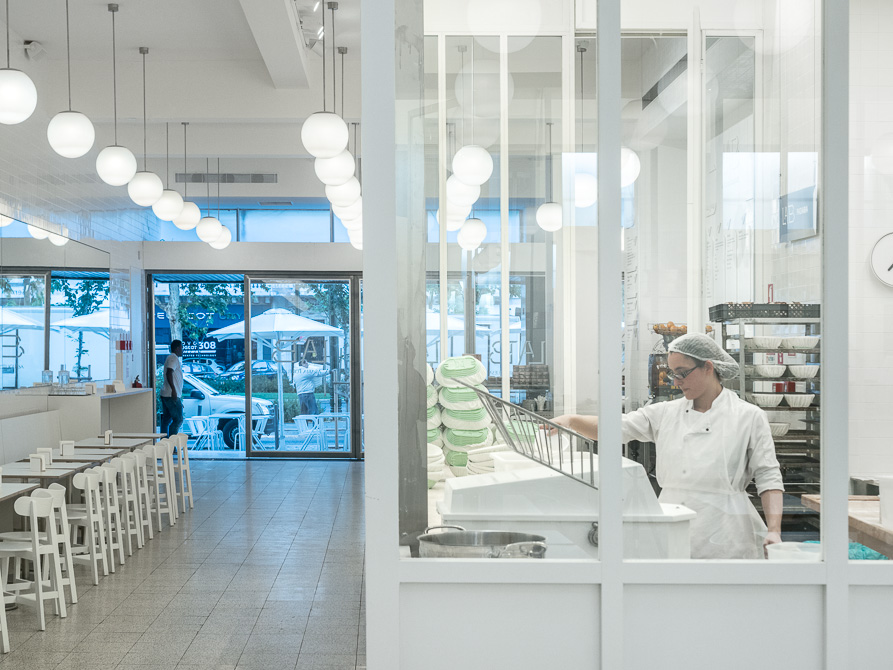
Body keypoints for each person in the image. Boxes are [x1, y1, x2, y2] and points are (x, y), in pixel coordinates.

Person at [553, 332, 784, 559]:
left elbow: (768, 475)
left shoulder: (748, 416)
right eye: (673, 373)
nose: (676, 381)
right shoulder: (666, 413)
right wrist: (571, 421)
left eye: (682, 373)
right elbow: (616, 428)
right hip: (671, 521)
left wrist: (774, 530)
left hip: (727, 531)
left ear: (708, 367)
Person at [160, 340, 184, 437]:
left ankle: (164, 442)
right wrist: (173, 390)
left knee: (166, 420)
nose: (182, 350)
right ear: (177, 348)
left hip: (167, 394)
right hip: (171, 394)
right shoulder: (173, 358)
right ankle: (172, 442)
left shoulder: (171, 358)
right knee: (178, 419)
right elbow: (169, 372)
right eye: (181, 348)